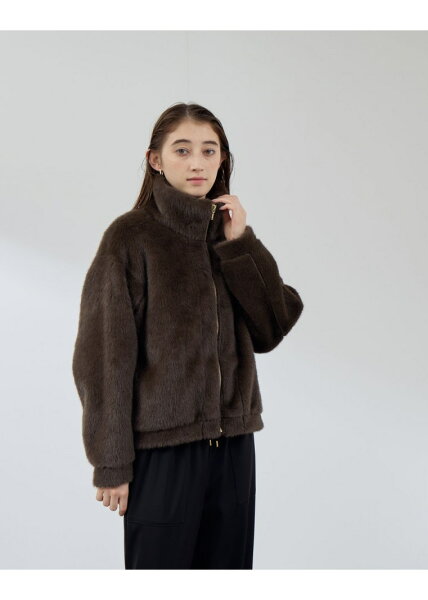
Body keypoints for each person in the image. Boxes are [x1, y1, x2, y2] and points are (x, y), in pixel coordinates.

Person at [72, 102, 304, 569]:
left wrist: (241, 245)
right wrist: (111, 461)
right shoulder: (130, 237)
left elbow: (272, 327)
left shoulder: (229, 236)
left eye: (209, 150)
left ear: (223, 159)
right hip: (163, 452)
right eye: (182, 150)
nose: (197, 162)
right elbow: (103, 359)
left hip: (234, 448)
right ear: (155, 159)